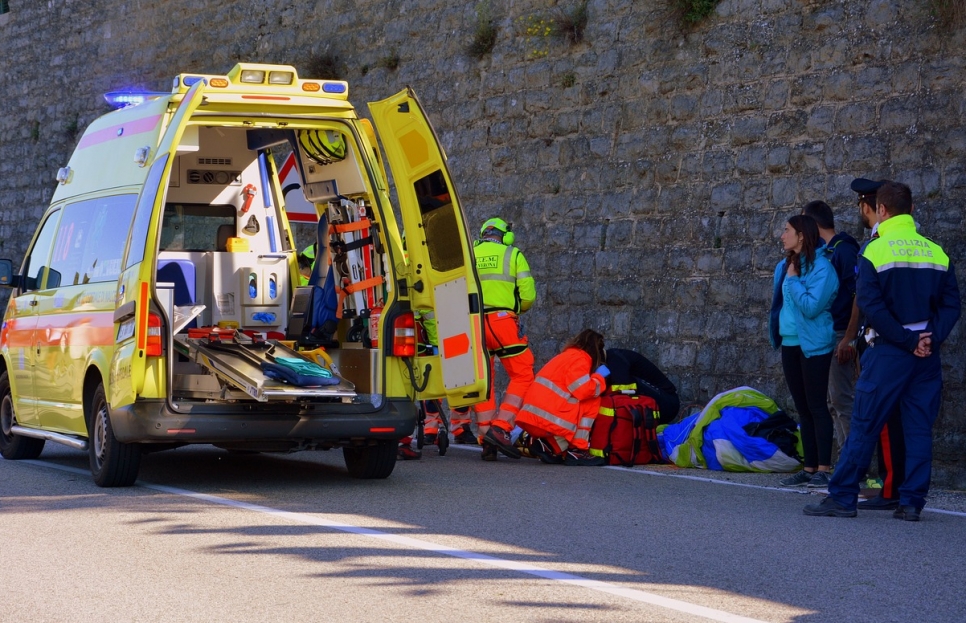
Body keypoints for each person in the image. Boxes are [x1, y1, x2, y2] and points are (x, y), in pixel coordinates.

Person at [804, 181, 961, 521]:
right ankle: (911, 503)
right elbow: (951, 306)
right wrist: (928, 338)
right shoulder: (937, 252)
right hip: (926, 354)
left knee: (864, 423)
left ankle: (843, 497)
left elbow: (872, 307)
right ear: (912, 210)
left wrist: (905, 341)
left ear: (883, 210)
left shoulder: (874, 251)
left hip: (889, 352)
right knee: (918, 427)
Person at [768, 213, 839, 488]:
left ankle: (823, 468)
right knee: (802, 408)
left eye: (786, 230)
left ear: (801, 236)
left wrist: (794, 280)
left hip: (815, 345)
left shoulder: (823, 268)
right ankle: (809, 468)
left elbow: (811, 307)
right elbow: (778, 306)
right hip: (789, 344)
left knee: (817, 406)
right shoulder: (784, 266)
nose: (782, 235)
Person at [849, 178, 907, 511]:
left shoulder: (877, 245)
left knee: (883, 419)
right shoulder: (910, 242)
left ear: (870, 207)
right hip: (908, 340)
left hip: (884, 341)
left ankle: (889, 489)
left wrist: (854, 339)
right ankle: (898, 486)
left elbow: (867, 300)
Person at [472, 217, 537, 461]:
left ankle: (485, 434)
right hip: (503, 323)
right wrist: (517, 309)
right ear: (505, 236)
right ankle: (501, 427)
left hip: (474, 323)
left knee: (483, 379)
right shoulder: (513, 254)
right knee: (522, 374)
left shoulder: (470, 254)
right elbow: (528, 295)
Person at [800, 201, 860, 458]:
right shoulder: (826, 253)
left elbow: (860, 296)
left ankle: (852, 462)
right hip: (827, 334)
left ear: (813, 225)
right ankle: (844, 458)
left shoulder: (844, 252)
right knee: (830, 402)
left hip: (840, 334)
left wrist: (849, 338)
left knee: (841, 399)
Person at [516, 329, 609, 466]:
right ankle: (577, 450)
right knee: (593, 398)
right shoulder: (582, 359)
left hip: (532, 419)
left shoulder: (566, 356)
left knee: (577, 401)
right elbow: (583, 390)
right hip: (546, 422)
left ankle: (551, 446)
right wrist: (599, 377)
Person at [603, 348, 680, 422]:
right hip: (660, 402)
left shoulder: (616, 360)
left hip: (668, 402)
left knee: (625, 388)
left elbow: (622, 393)